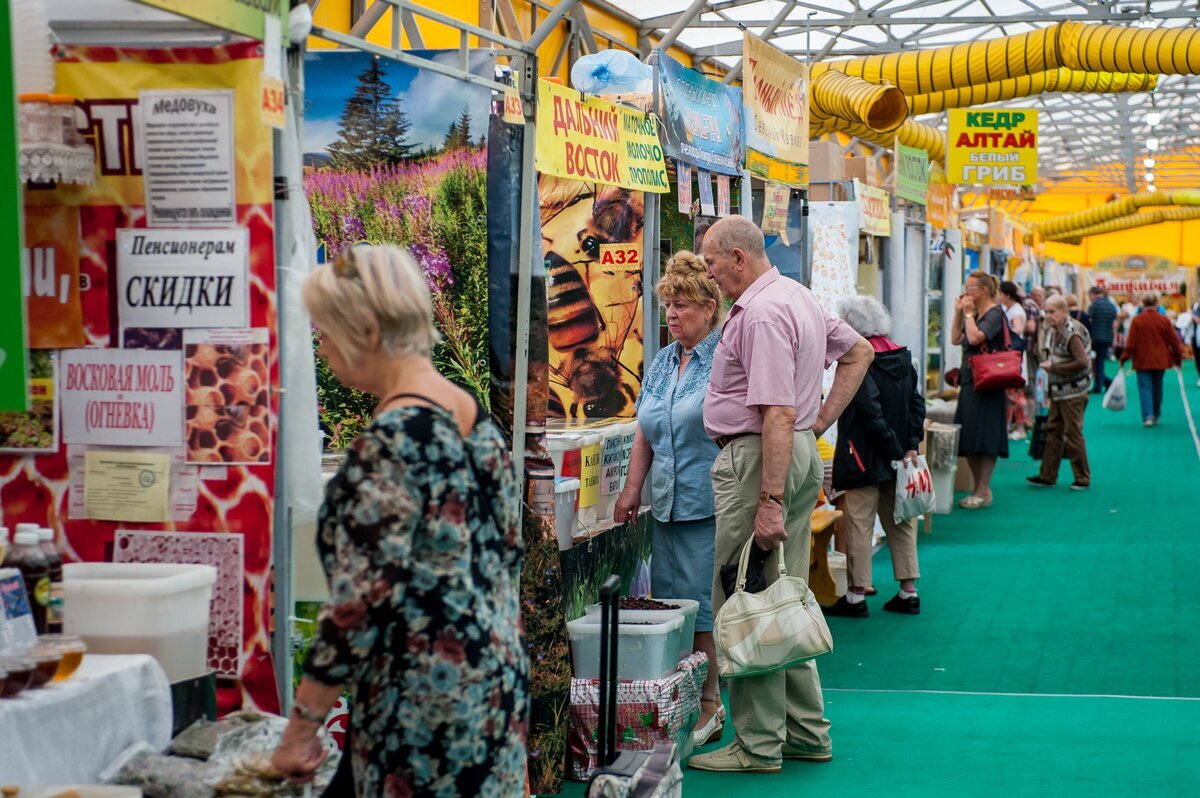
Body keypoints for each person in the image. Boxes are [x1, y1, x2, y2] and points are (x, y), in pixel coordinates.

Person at [272, 245, 528, 797]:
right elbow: (507, 553)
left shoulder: (393, 440)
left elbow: (357, 606)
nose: (321, 347)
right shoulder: (470, 415)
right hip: (492, 685)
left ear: (366, 331)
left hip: (423, 710)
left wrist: (300, 729)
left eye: (325, 332)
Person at [688, 215, 873, 774]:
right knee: (783, 592)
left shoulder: (762, 312)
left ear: (738, 258)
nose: (709, 274)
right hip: (788, 454)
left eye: (712, 263)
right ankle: (805, 731)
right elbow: (859, 351)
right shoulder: (796, 297)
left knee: (745, 596)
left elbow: (777, 411)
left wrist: (768, 499)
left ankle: (758, 743)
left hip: (759, 462)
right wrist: (817, 425)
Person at [614, 250, 726, 747]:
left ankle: (711, 704)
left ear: (709, 307)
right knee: (669, 605)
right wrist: (631, 490)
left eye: (682, 305)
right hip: (666, 504)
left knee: (702, 609)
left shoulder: (724, 358)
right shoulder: (662, 360)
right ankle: (679, 697)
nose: (673, 315)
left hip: (711, 503)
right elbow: (645, 429)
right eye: (668, 305)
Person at [825, 296, 925, 618]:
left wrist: (893, 449)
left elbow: (870, 411)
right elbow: (917, 405)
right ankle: (908, 591)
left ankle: (856, 596)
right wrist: (909, 447)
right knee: (901, 521)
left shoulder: (859, 359)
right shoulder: (902, 357)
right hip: (899, 457)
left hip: (863, 457)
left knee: (858, 525)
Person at [951, 271, 1010, 509]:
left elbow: (975, 338)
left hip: (989, 382)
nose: (966, 291)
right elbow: (956, 338)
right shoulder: (974, 313)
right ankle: (979, 487)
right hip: (970, 379)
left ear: (984, 290)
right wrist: (958, 312)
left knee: (987, 435)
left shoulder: (995, 314)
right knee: (969, 434)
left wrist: (967, 314)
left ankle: (983, 489)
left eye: (971, 287)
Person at [1025, 296, 1092, 490]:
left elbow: (1082, 362)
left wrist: (1054, 368)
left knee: (1073, 434)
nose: (1048, 315)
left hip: (1073, 391)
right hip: (1061, 390)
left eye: (1052, 312)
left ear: (1064, 311)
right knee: (1054, 430)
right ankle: (1047, 475)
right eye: (1046, 311)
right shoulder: (1059, 329)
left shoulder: (1070, 332)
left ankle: (1082, 478)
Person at [1120, 292, 1185, 427]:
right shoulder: (1164, 320)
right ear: (1157, 303)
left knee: (1144, 388)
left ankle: (1147, 417)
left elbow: (1131, 343)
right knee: (1157, 387)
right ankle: (1156, 414)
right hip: (1160, 359)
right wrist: (1178, 359)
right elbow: (1174, 342)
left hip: (1142, 359)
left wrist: (1124, 358)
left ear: (1143, 304)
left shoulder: (1137, 320)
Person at [998, 281, 1030, 440]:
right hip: (1011, 358)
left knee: (1016, 395)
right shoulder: (1009, 309)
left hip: (1014, 358)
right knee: (1010, 395)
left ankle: (1020, 427)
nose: (998, 296)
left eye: (1000, 293)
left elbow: (1017, 329)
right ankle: (1013, 426)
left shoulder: (1016, 310)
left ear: (1007, 295)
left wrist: (1004, 333)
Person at [1086, 286, 1118, 393]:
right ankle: (1104, 383)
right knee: (1100, 361)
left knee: (1096, 363)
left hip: (1095, 337)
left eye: (1090, 296)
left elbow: (1089, 320)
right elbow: (1114, 321)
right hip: (1107, 338)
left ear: (1093, 294)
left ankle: (1101, 385)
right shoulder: (1111, 305)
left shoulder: (1094, 305)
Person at [1174, 300, 1200, 387]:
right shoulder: (1194, 306)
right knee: (1197, 357)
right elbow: (1189, 313)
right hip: (1195, 336)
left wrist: (1192, 316)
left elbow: (1197, 319)